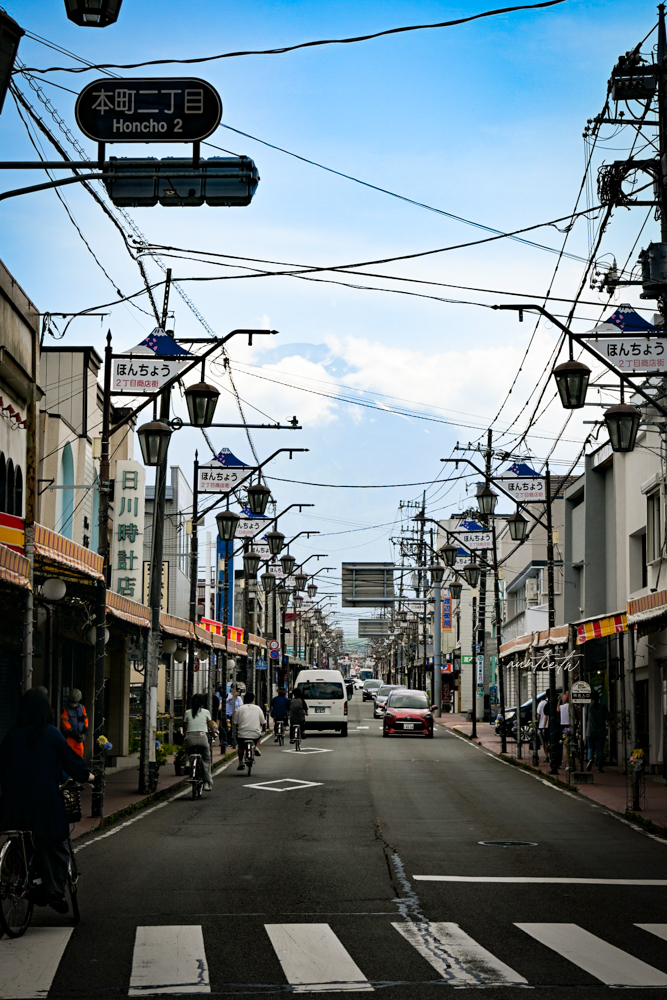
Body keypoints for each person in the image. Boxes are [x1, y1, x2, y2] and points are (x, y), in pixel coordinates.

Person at [0, 688, 92, 913]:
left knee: (23, 840)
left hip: (13, 806)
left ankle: (21, 876)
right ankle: (54, 890)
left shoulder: (12, 735)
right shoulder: (51, 734)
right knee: (57, 842)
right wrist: (87, 776)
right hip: (44, 805)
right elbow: (71, 761)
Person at [183, 693, 215, 790]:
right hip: (202, 737)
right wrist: (213, 733)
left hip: (190, 737)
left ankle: (188, 761)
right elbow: (210, 726)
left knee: (187, 749)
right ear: (202, 702)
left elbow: (185, 726)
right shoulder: (206, 712)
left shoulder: (187, 712)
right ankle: (207, 783)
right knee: (206, 760)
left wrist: (185, 735)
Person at [233, 692, 266, 770]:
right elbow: (263, 722)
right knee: (259, 737)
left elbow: (235, 722)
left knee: (241, 747)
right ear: (253, 699)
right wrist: (263, 729)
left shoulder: (240, 709)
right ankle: (256, 747)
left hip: (242, 734)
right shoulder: (258, 708)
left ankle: (240, 762)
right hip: (255, 734)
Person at [586, 690, 610, 772]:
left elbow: (585, 718)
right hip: (601, 731)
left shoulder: (589, 707)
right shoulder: (603, 707)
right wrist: (611, 729)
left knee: (590, 747)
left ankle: (590, 759)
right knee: (600, 750)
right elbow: (607, 719)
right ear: (599, 698)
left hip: (590, 731)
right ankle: (600, 767)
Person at [60, 688, 88, 757]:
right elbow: (65, 723)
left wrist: (85, 732)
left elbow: (85, 720)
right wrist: (74, 734)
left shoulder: (82, 708)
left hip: (79, 737)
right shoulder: (65, 709)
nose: (72, 704)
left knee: (80, 755)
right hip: (70, 737)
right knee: (69, 755)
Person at [537, 692, 549, 762]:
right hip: (551, 726)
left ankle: (547, 756)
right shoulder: (554, 703)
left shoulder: (541, 703)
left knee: (545, 742)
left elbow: (538, 715)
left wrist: (537, 722)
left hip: (542, 725)